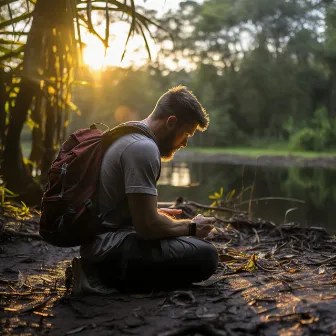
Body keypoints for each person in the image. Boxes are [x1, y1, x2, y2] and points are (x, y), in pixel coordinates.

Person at [72, 86, 218, 294]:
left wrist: (151, 215)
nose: (185, 142)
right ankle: (97, 277)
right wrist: (192, 227)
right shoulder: (144, 149)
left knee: (179, 235)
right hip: (109, 250)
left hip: (101, 243)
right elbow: (147, 228)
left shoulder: (129, 133)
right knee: (206, 256)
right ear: (171, 122)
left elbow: (126, 211)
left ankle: (99, 271)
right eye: (186, 133)